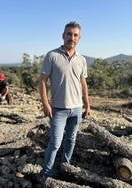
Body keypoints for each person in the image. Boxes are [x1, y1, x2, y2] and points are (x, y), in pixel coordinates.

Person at [39, 21, 91, 178]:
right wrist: (45, 104)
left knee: (71, 140)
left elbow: (83, 83)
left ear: (79, 38)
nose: (72, 37)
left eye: (75, 35)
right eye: (69, 34)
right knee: (55, 143)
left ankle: (64, 167)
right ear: (63, 36)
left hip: (77, 109)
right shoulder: (52, 56)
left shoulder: (81, 59)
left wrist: (87, 105)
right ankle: (46, 174)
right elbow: (42, 81)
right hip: (58, 109)